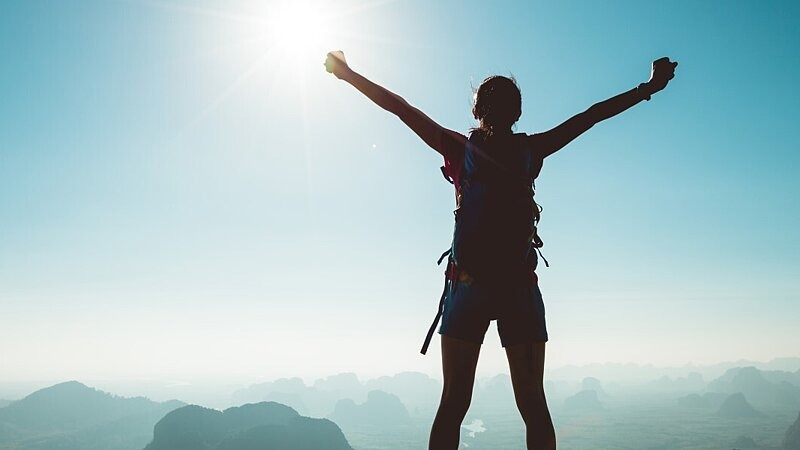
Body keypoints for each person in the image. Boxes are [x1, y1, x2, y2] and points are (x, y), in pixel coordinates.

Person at [324, 50, 677, 450]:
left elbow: (401, 109)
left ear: (477, 110)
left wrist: (348, 74)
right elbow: (591, 116)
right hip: (518, 289)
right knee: (533, 403)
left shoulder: (460, 150)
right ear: (518, 111)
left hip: (467, 287)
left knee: (453, 402)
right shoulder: (532, 151)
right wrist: (647, 88)